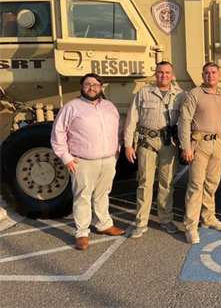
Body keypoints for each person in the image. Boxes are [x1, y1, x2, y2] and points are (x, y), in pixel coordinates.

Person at [51, 73, 125, 250]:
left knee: (103, 193)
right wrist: (65, 156)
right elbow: (58, 133)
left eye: (95, 85)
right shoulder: (71, 107)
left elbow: (119, 128)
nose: (92, 88)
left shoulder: (109, 106)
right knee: (82, 196)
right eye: (88, 84)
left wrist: (117, 150)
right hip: (82, 161)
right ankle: (82, 233)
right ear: (82, 87)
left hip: (108, 160)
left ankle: (104, 224)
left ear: (101, 87)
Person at [124, 61, 185, 239]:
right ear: (155, 74)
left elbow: (186, 120)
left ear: (172, 75)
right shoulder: (144, 92)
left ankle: (165, 219)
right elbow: (132, 119)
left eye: (167, 72)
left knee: (167, 183)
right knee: (145, 182)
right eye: (160, 72)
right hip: (147, 142)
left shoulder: (180, 95)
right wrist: (128, 145)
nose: (163, 75)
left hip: (169, 143)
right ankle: (141, 222)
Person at [178, 63, 221, 244]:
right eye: (207, 73)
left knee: (212, 183)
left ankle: (208, 217)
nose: (210, 76)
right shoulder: (194, 94)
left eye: (213, 73)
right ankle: (190, 226)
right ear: (202, 75)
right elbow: (184, 121)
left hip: (218, 144)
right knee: (196, 185)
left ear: (219, 75)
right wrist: (186, 146)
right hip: (199, 144)